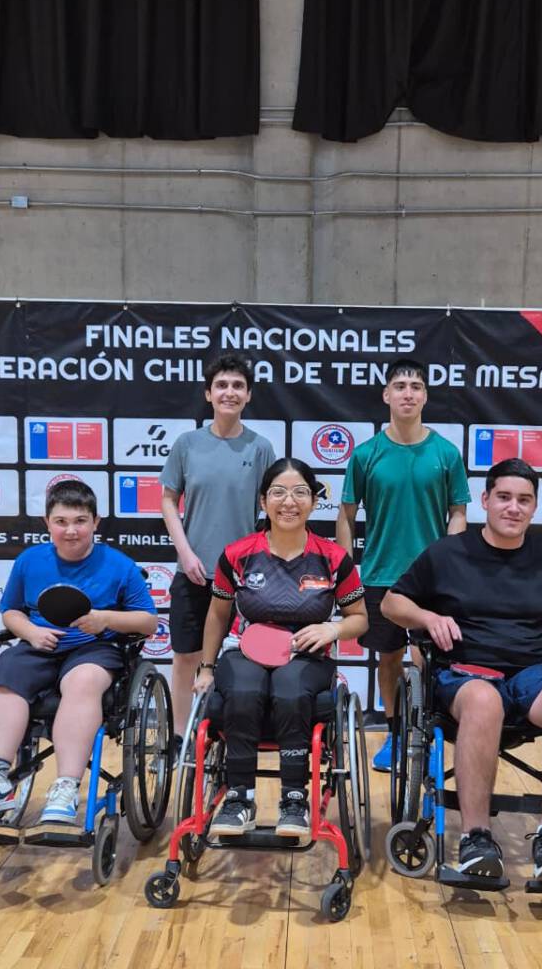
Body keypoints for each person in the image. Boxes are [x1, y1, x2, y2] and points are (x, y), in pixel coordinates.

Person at [381, 457, 542, 883]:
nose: (513, 508)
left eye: (524, 500)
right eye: (504, 497)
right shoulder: (448, 553)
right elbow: (391, 603)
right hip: (465, 674)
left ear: (534, 507)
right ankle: (476, 837)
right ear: (485, 500)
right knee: (484, 700)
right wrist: (427, 618)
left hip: (533, 676)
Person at [0, 479, 157, 825]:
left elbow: (148, 621)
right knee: (5, 678)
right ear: (47, 523)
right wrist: (30, 632)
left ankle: (65, 787)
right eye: (61, 521)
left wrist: (104, 619)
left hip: (95, 648)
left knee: (82, 682)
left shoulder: (120, 565)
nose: (71, 531)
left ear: (96, 522)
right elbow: (10, 611)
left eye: (80, 521)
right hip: (39, 645)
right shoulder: (30, 560)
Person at [194, 458, 367, 840]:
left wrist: (332, 628)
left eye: (300, 492)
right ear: (263, 501)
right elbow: (218, 613)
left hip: (308, 655)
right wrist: (206, 668)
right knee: (243, 689)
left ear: (314, 501)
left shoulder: (333, 558)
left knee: (290, 688)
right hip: (245, 650)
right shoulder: (237, 554)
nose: (289, 502)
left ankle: (294, 799)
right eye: (279, 493)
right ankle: (239, 798)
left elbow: (359, 618)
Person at [336, 357, 470, 771]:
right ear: (386, 395)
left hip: (432, 581)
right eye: (400, 386)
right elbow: (346, 515)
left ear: (425, 396)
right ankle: (396, 736)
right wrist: (346, 572)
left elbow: (458, 513)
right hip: (380, 575)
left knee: (427, 660)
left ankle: (424, 736)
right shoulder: (366, 455)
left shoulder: (446, 453)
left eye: (415, 386)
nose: (408, 393)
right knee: (390, 658)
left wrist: (451, 564)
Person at [160, 353, 276, 752]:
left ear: (248, 395)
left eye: (238, 386)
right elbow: (168, 500)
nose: (230, 392)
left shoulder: (261, 448)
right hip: (193, 572)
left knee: (238, 662)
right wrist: (186, 553)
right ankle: (180, 739)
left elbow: (273, 510)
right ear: (208, 394)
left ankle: (225, 736)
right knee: (185, 657)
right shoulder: (187, 444)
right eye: (222, 385)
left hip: (244, 578)